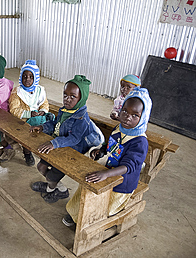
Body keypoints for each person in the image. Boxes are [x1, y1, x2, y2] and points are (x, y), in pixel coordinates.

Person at [63, 87, 152, 228]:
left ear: (143, 117)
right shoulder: (119, 128)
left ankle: (89, 223)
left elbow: (128, 166)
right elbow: (111, 146)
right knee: (86, 184)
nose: (128, 117)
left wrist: (106, 174)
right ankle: (76, 214)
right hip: (107, 171)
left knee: (105, 205)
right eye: (125, 111)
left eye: (135, 115)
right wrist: (101, 151)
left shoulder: (140, 141)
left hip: (122, 183)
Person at [30, 75, 104, 203]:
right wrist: (43, 127)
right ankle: (56, 187)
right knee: (41, 166)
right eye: (65, 94)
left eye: (72, 96)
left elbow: (74, 139)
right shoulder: (65, 110)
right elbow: (56, 124)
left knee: (53, 175)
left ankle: (54, 189)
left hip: (70, 153)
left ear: (81, 99)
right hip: (58, 147)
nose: (67, 99)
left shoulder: (82, 119)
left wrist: (54, 143)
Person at [8, 59, 54, 166]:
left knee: (48, 126)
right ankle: (27, 153)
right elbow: (14, 109)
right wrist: (29, 114)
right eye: (24, 76)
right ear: (21, 77)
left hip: (38, 117)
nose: (27, 79)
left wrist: (42, 111)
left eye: (31, 77)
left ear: (36, 78)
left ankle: (43, 150)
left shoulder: (40, 90)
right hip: (24, 120)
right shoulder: (17, 92)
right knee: (27, 136)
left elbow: (44, 104)